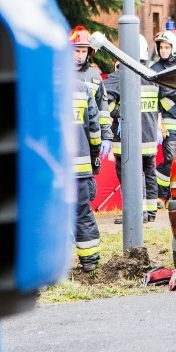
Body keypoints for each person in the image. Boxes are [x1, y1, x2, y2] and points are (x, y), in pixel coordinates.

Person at [103, 34, 160, 223]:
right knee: (148, 172)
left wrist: (119, 112)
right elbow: (167, 100)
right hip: (149, 135)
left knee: (130, 174)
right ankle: (150, 212)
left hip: (127, 138)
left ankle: (136, 214)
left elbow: (103, 101)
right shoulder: (153, 76)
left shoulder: (120, 76)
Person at [70, 26, 113, 204]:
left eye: (83, 51)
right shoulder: (60, 73)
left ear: (89, 52)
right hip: (69, 135)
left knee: (86, 184)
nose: (80, 55)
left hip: (89, 138)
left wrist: (106, 136)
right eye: (77, 51)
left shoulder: (94, 77)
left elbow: (102, 108)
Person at [150, 31, 176, 208]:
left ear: (174, 48)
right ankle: (160, 196)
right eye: (161, 47)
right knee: (170, 159)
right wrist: (159, 124)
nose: (163, 50)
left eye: (167, 47)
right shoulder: (155, 69)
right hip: (168, 125)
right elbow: (154, 100)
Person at [72, 78, 102, 272]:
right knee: (83, 213)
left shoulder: (35, 84)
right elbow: (94, 130)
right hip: (80, 166)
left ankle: (50, 267)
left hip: (49, 170)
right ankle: (90, 260)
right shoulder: (82, 87)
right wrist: (94, 156)